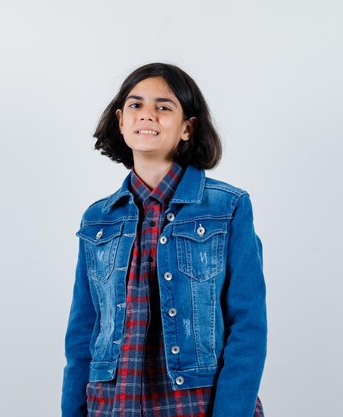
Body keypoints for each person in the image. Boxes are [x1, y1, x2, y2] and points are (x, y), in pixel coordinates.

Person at [61, 63, 267, 417]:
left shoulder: (228, 208)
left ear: (187, 127)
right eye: (136, 105)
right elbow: (83, 333)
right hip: (112, 406)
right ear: (121, 120)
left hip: (194, 407)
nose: (148, 115)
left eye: (163, 107)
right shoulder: (98, 219)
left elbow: (247, 327)